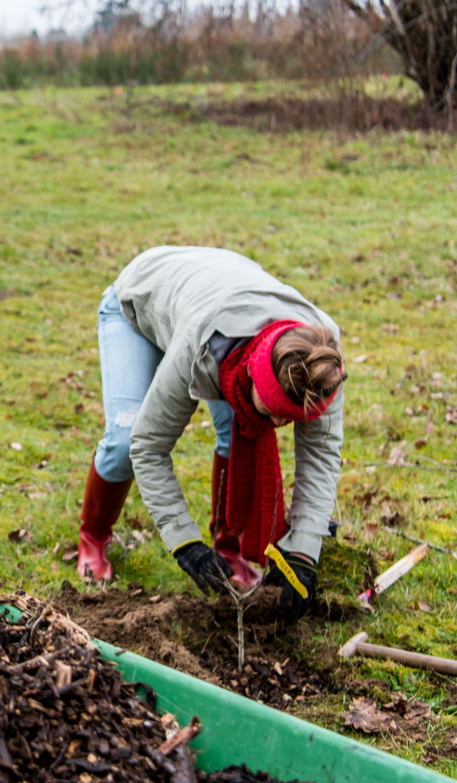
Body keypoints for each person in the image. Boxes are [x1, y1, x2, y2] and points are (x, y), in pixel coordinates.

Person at [75, 245, 346, 621]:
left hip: (216, 292)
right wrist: (184, 542)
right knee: (125, 437)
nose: (279, 427)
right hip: (140, 301)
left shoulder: (321, 362)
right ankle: (93, 536)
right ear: (253, 373)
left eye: (290, 420)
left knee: (239, 429)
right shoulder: (199, 345)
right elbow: (149, 447)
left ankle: (229, 548)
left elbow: (321, 457)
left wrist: (302, 553)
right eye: (272, 412)